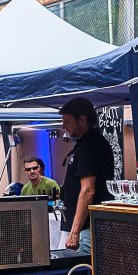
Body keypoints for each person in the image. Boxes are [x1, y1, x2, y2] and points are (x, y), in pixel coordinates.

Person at [58, 97, 115, 254]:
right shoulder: (85, 143)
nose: (63, 126)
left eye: (67, 121)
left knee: (84, 268)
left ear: (82, 120)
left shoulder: (90, 145)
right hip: (85, 228)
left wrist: (74, 232)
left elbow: (88, 190)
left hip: (87, 229)